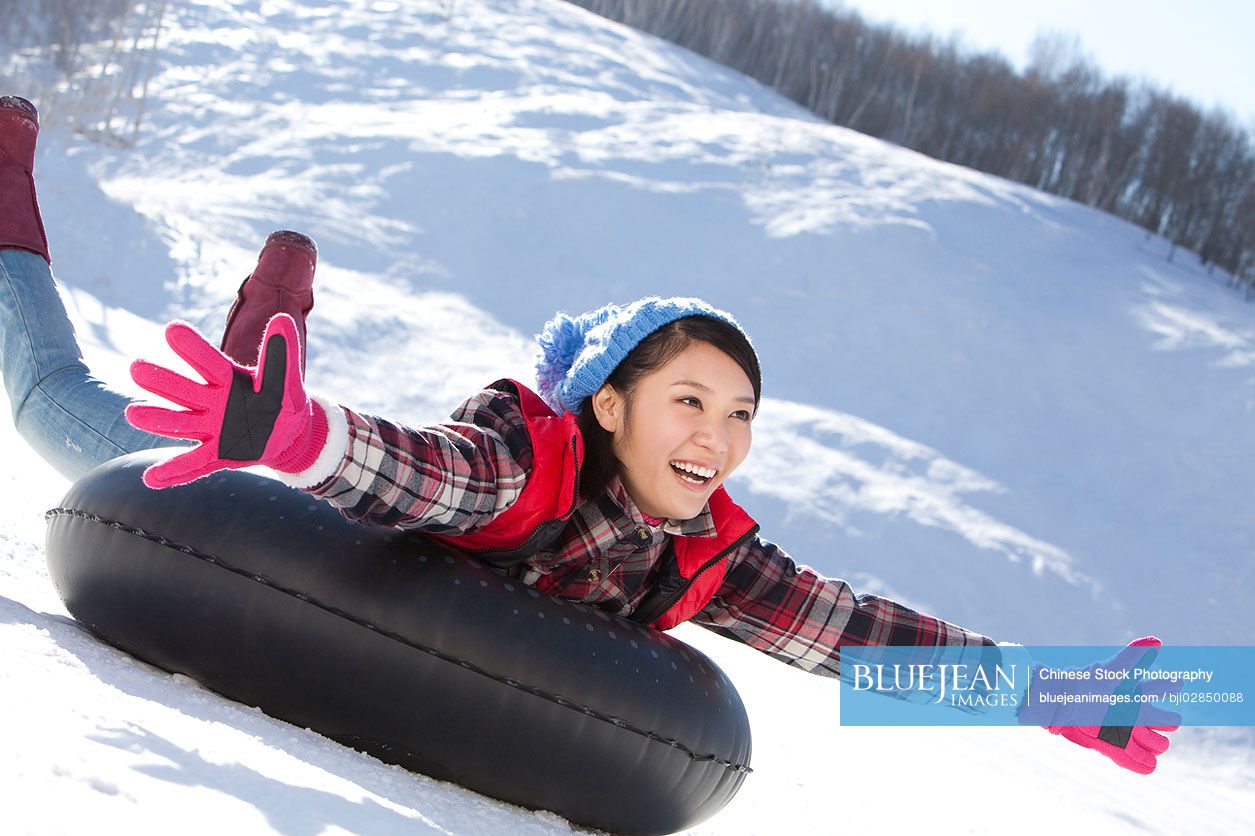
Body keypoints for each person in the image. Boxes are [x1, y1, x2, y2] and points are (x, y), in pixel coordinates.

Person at [0, 96, 1180, 775]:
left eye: (739, 415)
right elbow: (429, 476)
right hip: (255, 492)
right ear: (607, 403)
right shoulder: (530, 455)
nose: (716, 435)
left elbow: (853, 632)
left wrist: (1058, 691)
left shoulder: (703, 548)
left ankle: (259, 363)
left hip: (288, 441)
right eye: (689, 400)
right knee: (52, 394)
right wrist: (301, 437)